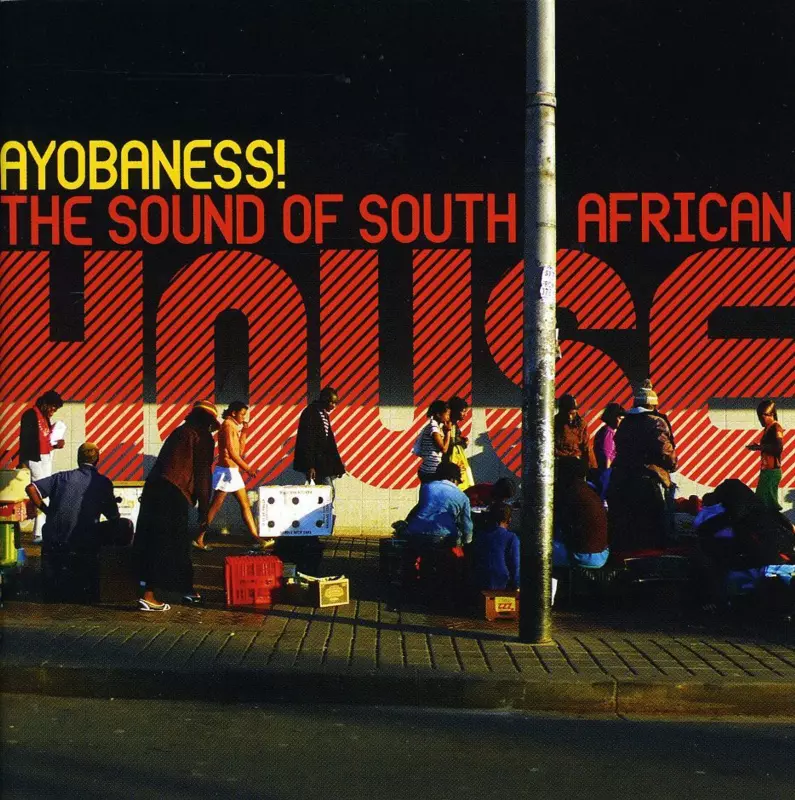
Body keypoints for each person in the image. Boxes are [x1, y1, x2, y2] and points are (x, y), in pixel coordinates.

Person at [134, 400, 218, 611]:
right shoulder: (203, 436)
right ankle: (150, 596)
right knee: (171, 543)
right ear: (208, 422)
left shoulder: (180, 431)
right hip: (174, 493)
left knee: (154, 540)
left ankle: (184, 589)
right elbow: (203, 474)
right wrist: (204, 509)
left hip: (154, 488)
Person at [26, 442, 132, 603]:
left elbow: (31, 488)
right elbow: (113, 517)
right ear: (97, 459)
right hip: (84, 543)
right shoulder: (103, 482)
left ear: (78, 459)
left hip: (54, 542)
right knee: (125, 525)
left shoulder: (61, 477)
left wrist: (46, 510)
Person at [608, 379, 677, 552]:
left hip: (622, 479)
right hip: (649, 480)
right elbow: (665, 451)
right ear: (653, 405)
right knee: (657, 528)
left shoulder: (625, 423)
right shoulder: (656, 422)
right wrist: (672, 465)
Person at [194, 401, 265, 551]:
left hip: (232, 472)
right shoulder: (227, 425)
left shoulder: (232, 426)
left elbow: (239, 451)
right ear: (233, 413)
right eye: (242, 414)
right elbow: (232, 453)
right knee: (214, 508)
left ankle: (257, 538)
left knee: (245, 504)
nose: (244, 417)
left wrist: (244, 432)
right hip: (226, 472)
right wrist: (248, 469)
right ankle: (199, 538)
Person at [18, 390, 65, 543]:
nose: (53, 411)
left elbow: (46, 439)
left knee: (45, 491)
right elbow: (25, 440)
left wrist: (56, 444)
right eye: (52, 407)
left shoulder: (45, 417)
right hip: (34, 458)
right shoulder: (30, 415)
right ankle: (39, 533)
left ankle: (40, 531)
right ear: (44, 404)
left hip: (45, 457)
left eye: (55, 409)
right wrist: (23, 460)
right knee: (41, 492)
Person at [553, 457, 610, 569]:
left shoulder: (569, 492)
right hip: (602, 553)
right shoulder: (589, 490)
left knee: (528, 545)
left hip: (583, 555)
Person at [404, 461, 473, 549]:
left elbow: (419, 508)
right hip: (443, 537)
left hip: (416, 533)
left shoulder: (427, 487)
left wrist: (406, 525)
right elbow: (466, 524)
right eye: (458, 482)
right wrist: (467, 542)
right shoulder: (463, 497)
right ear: (453, 479)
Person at [293, 387, 345, 495]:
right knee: (327, 492)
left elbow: (329, 443)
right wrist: (310, 466)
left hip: (322, 463)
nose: (333, 406)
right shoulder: (311, 413)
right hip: (316, 464)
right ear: (324, 399)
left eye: (335, 403)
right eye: (332, 402)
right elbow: (307, 440)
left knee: (327, 492)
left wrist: (338, 467)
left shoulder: (323, 414)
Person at [471, 501, 520, 591]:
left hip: (479, 581)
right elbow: (515, 565)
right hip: (502, 583)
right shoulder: (511, 537)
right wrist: (516, 585)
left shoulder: (479, 535)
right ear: (509, 520)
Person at [747, 399, 784, 511]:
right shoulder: (768, 428)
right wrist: (758, 447)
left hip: (772, 471)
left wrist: (760, 447)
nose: (760, 420)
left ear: (770, 414)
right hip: (767, 470)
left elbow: (778, 448)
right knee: (764, 503)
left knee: (766, 504)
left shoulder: (776, 427)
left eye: (762, 416)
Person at [592, 402, 625, 501]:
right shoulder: (608, 432)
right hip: (607, 471)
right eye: (619, 418)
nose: (621, 420)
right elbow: (607, 455)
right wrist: (607, 475)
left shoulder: (605, 431)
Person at [414, 400, 453, 483]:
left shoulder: (435, 426)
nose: (448, 417)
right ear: (438, 414)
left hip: (430, 469)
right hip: (431, 470)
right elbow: (444, 449)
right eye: (447, 414)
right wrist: (448, 431)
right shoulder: (433, 428)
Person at [554, 394, 596, 470]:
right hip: (559, 463)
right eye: (567, 413)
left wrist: (593, 468)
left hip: (576, 463)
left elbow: (586, 447)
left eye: (572, 414)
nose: (570, 417)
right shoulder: (554, 423)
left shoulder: (581, 424)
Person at [443, 396, 474, 491]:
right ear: (456, 411)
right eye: (463, 411)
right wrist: (463, 442)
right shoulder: (450, 425)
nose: (465, 414)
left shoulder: (452, 424)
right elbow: (451, 443)